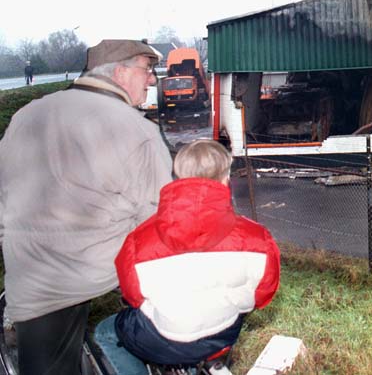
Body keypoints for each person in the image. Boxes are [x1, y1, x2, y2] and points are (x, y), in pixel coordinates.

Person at [0, 39, 172, 375]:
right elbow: (157, 217)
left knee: (46, 362)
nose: (152, 80)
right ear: (120, 72)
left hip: (31, 268)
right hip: (92, 267)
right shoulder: (136, 130)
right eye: (147, 70)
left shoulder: (28, 113)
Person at [114, 139, 281, 366]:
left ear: (178, 176)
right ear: (225, 178)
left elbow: (132, 295)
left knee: (109, 330)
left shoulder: (138, 240)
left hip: (161, 339)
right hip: (222, 335)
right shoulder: (257, 237)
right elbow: (263, 294)